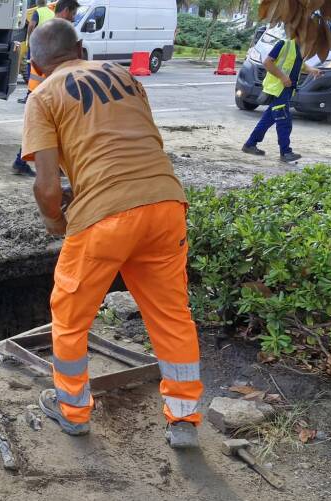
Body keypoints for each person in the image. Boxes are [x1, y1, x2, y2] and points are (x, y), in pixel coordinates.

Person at [21, 19, 204, 449]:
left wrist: (55, 222)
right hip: (165, 204)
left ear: (35, 63)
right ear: (81, 48)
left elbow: (46, 187)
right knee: (172, 315)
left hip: (104, 216)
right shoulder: (123, 75)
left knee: (69, 317)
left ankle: (73, 411)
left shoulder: (43, 96)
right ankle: (184, 419)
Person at [13, 0, 79, 177]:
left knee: (45, 129)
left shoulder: (48, 29)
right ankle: (23, 162)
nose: (73, 19)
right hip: (46, 91)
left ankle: (29, 163)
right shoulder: (58, 34)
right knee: (44, 130)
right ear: (66, 11)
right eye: (73, 14)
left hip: (38, 89)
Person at [242, 36, 321, 163]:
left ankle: (250, 144)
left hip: (286, 89)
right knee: (284, 121)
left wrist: (312, 70)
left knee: (267, 120)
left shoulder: (298, 48)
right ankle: (285, 152)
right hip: (279, 89)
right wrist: (283, 77)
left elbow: (297, 64)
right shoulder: (284, 44)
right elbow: (267, 62)